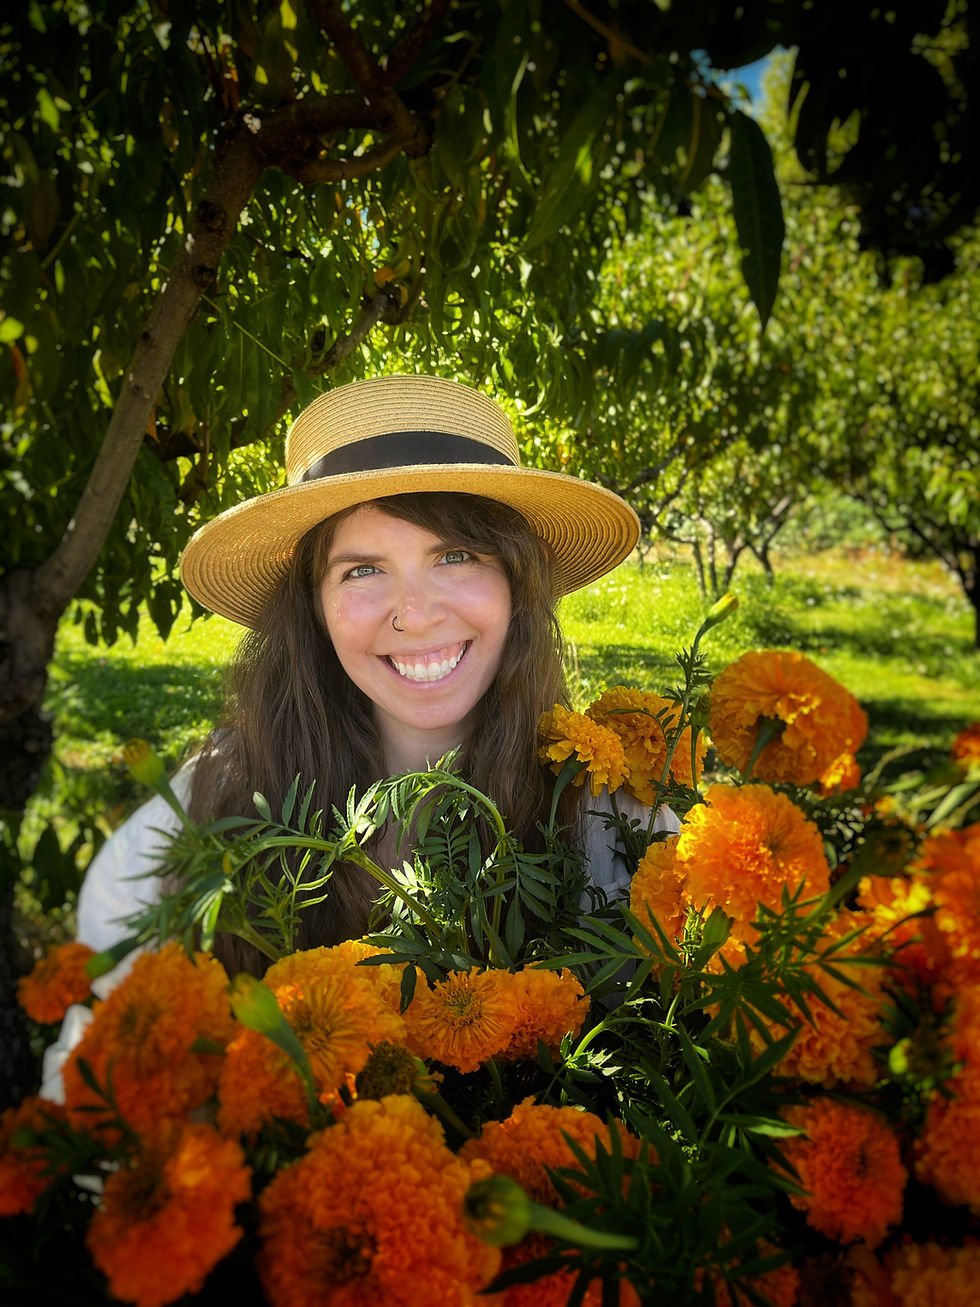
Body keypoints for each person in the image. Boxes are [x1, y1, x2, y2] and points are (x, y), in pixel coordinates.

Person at [72, 374, 679, 980]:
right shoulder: (207, 806)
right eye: (362, 570)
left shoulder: (613, 823)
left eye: (456, 556)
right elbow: (107, 1034)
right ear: (314, 605)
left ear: (518, 582)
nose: (415, 615)